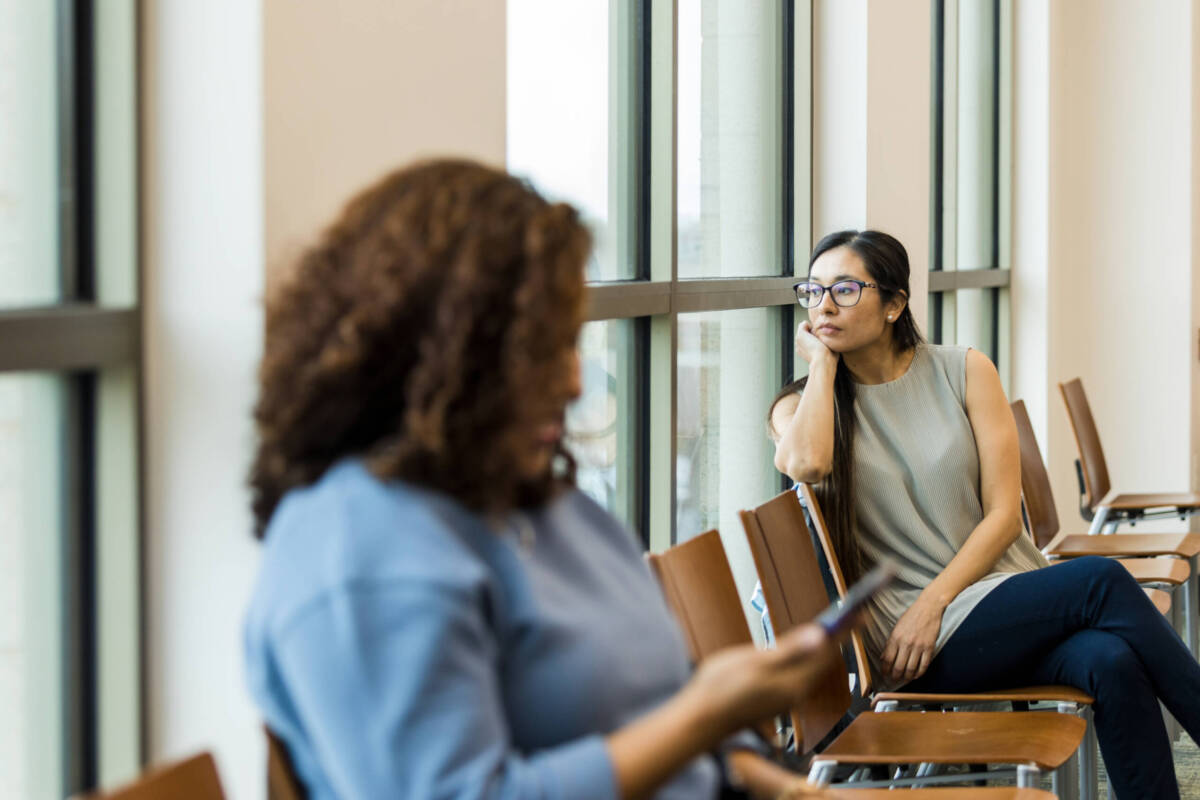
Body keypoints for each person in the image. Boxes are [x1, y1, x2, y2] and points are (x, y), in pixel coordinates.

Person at [243, 159, 843, 800]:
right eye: (541, 351)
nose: (574, 382)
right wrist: (703, 716)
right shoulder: (359, 551)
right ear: (439, 356)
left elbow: (654, 707)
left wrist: (773, 782)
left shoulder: (540, 504)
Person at [769, 228, 1200, 799]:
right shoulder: (801, 407)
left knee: (1111, 659)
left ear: (895, 304)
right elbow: (804, 464)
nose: (825, 305)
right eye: (814, 291)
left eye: (845, 289)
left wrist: (936, 600)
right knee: (1102, 580)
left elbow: (1002, 514)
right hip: (911, 641)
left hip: (982, 599)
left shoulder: (965, 370)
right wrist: (823, 364)